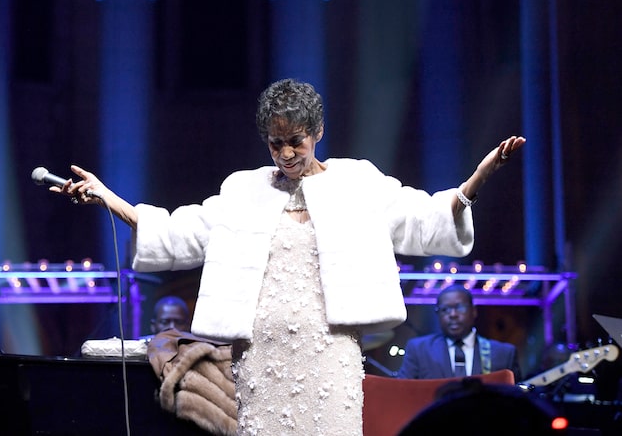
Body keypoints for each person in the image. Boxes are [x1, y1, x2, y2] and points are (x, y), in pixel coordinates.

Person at [51, 78, 525, 435]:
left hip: (329, 358)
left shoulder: (357, 183)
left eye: (295, 140)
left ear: (317, 131)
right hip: (260, 361)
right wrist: (107, 199)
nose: (285, 153)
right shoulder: (243, 190)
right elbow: (179, 232)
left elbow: (426, 221)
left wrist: (474, 182)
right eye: (275, 143)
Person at [396, 284, 521, 381]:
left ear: (474, 311)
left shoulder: (503, 353)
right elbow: (403, 391)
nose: (453, 315)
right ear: (438, 314)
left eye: (460, 307)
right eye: (445, 309)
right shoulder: (419, 349)